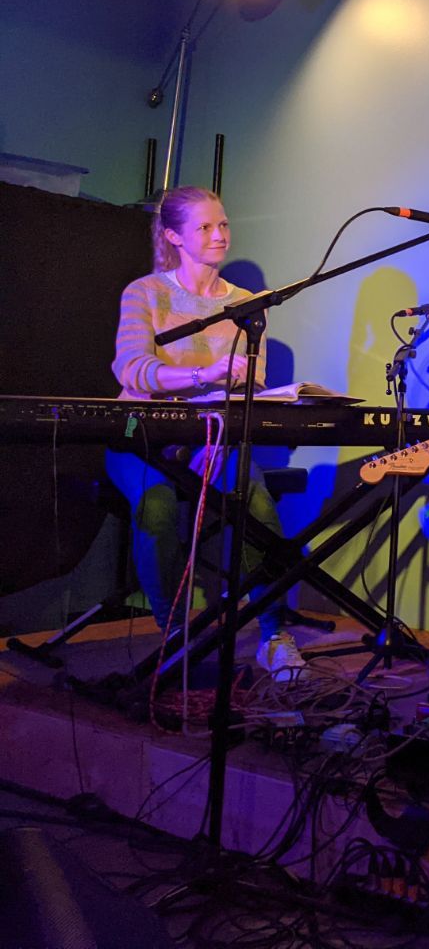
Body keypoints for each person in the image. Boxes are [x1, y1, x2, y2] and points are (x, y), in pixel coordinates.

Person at [108, 186, 306, 681]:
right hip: (142, 438)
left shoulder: (246, 304)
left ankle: (274, 635)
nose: (219, 235)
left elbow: (251, 379)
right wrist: (206, 374)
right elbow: (133, 370)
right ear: (174, 235)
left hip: (212, 438)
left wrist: (224, 387)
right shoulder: (145, 292)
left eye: (223, 224)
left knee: (255, 499)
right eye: (204, 227)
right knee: (155, 503)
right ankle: (174, 635)